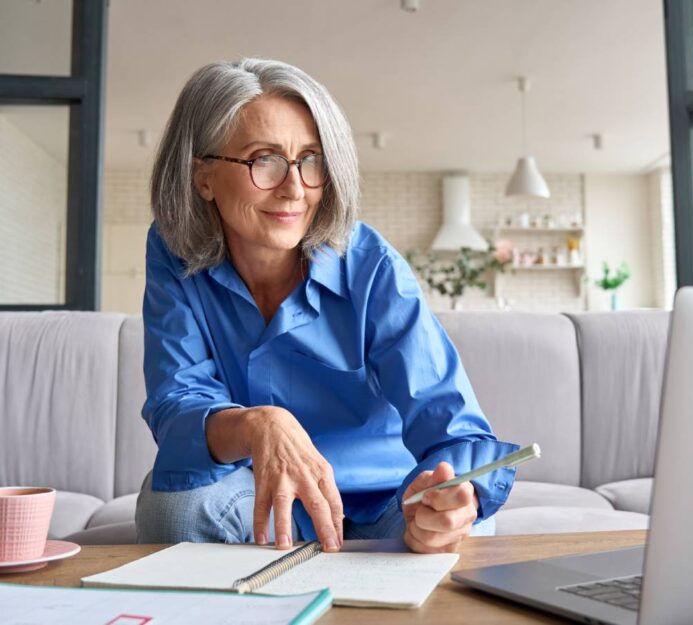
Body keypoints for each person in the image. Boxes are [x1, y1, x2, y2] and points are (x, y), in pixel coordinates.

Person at [135, 58, 518, 554]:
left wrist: (453, 498)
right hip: (258, 501)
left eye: (311, 160)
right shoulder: (173, 252)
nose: (295, 188)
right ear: (202, 176)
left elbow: (451, 426)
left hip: (386, 505)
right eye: (264, 160)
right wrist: (256, 424)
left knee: (460, 533)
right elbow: (177, 402)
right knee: (174, 508)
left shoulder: (371, 264)